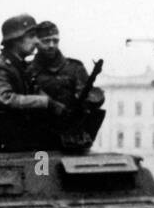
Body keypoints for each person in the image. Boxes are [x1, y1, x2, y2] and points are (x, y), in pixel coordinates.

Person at [0, 13, 68, 151]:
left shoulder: (19, 65)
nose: (36, 41)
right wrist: (45, 103)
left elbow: (33, 88)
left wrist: (55, 105)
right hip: (6, 145)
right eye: (31, 36)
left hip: (21, 141)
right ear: (15, 40)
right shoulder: (1, 67)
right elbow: (5, 98)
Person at [29, 20, 106, 148]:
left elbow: (88, 101)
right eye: (46, 41)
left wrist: (92, 98)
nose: (52, 45)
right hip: (38, 140)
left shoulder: (75, 68)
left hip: (73, 140)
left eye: (55, 40)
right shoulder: (28, 71)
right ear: (36, 43)